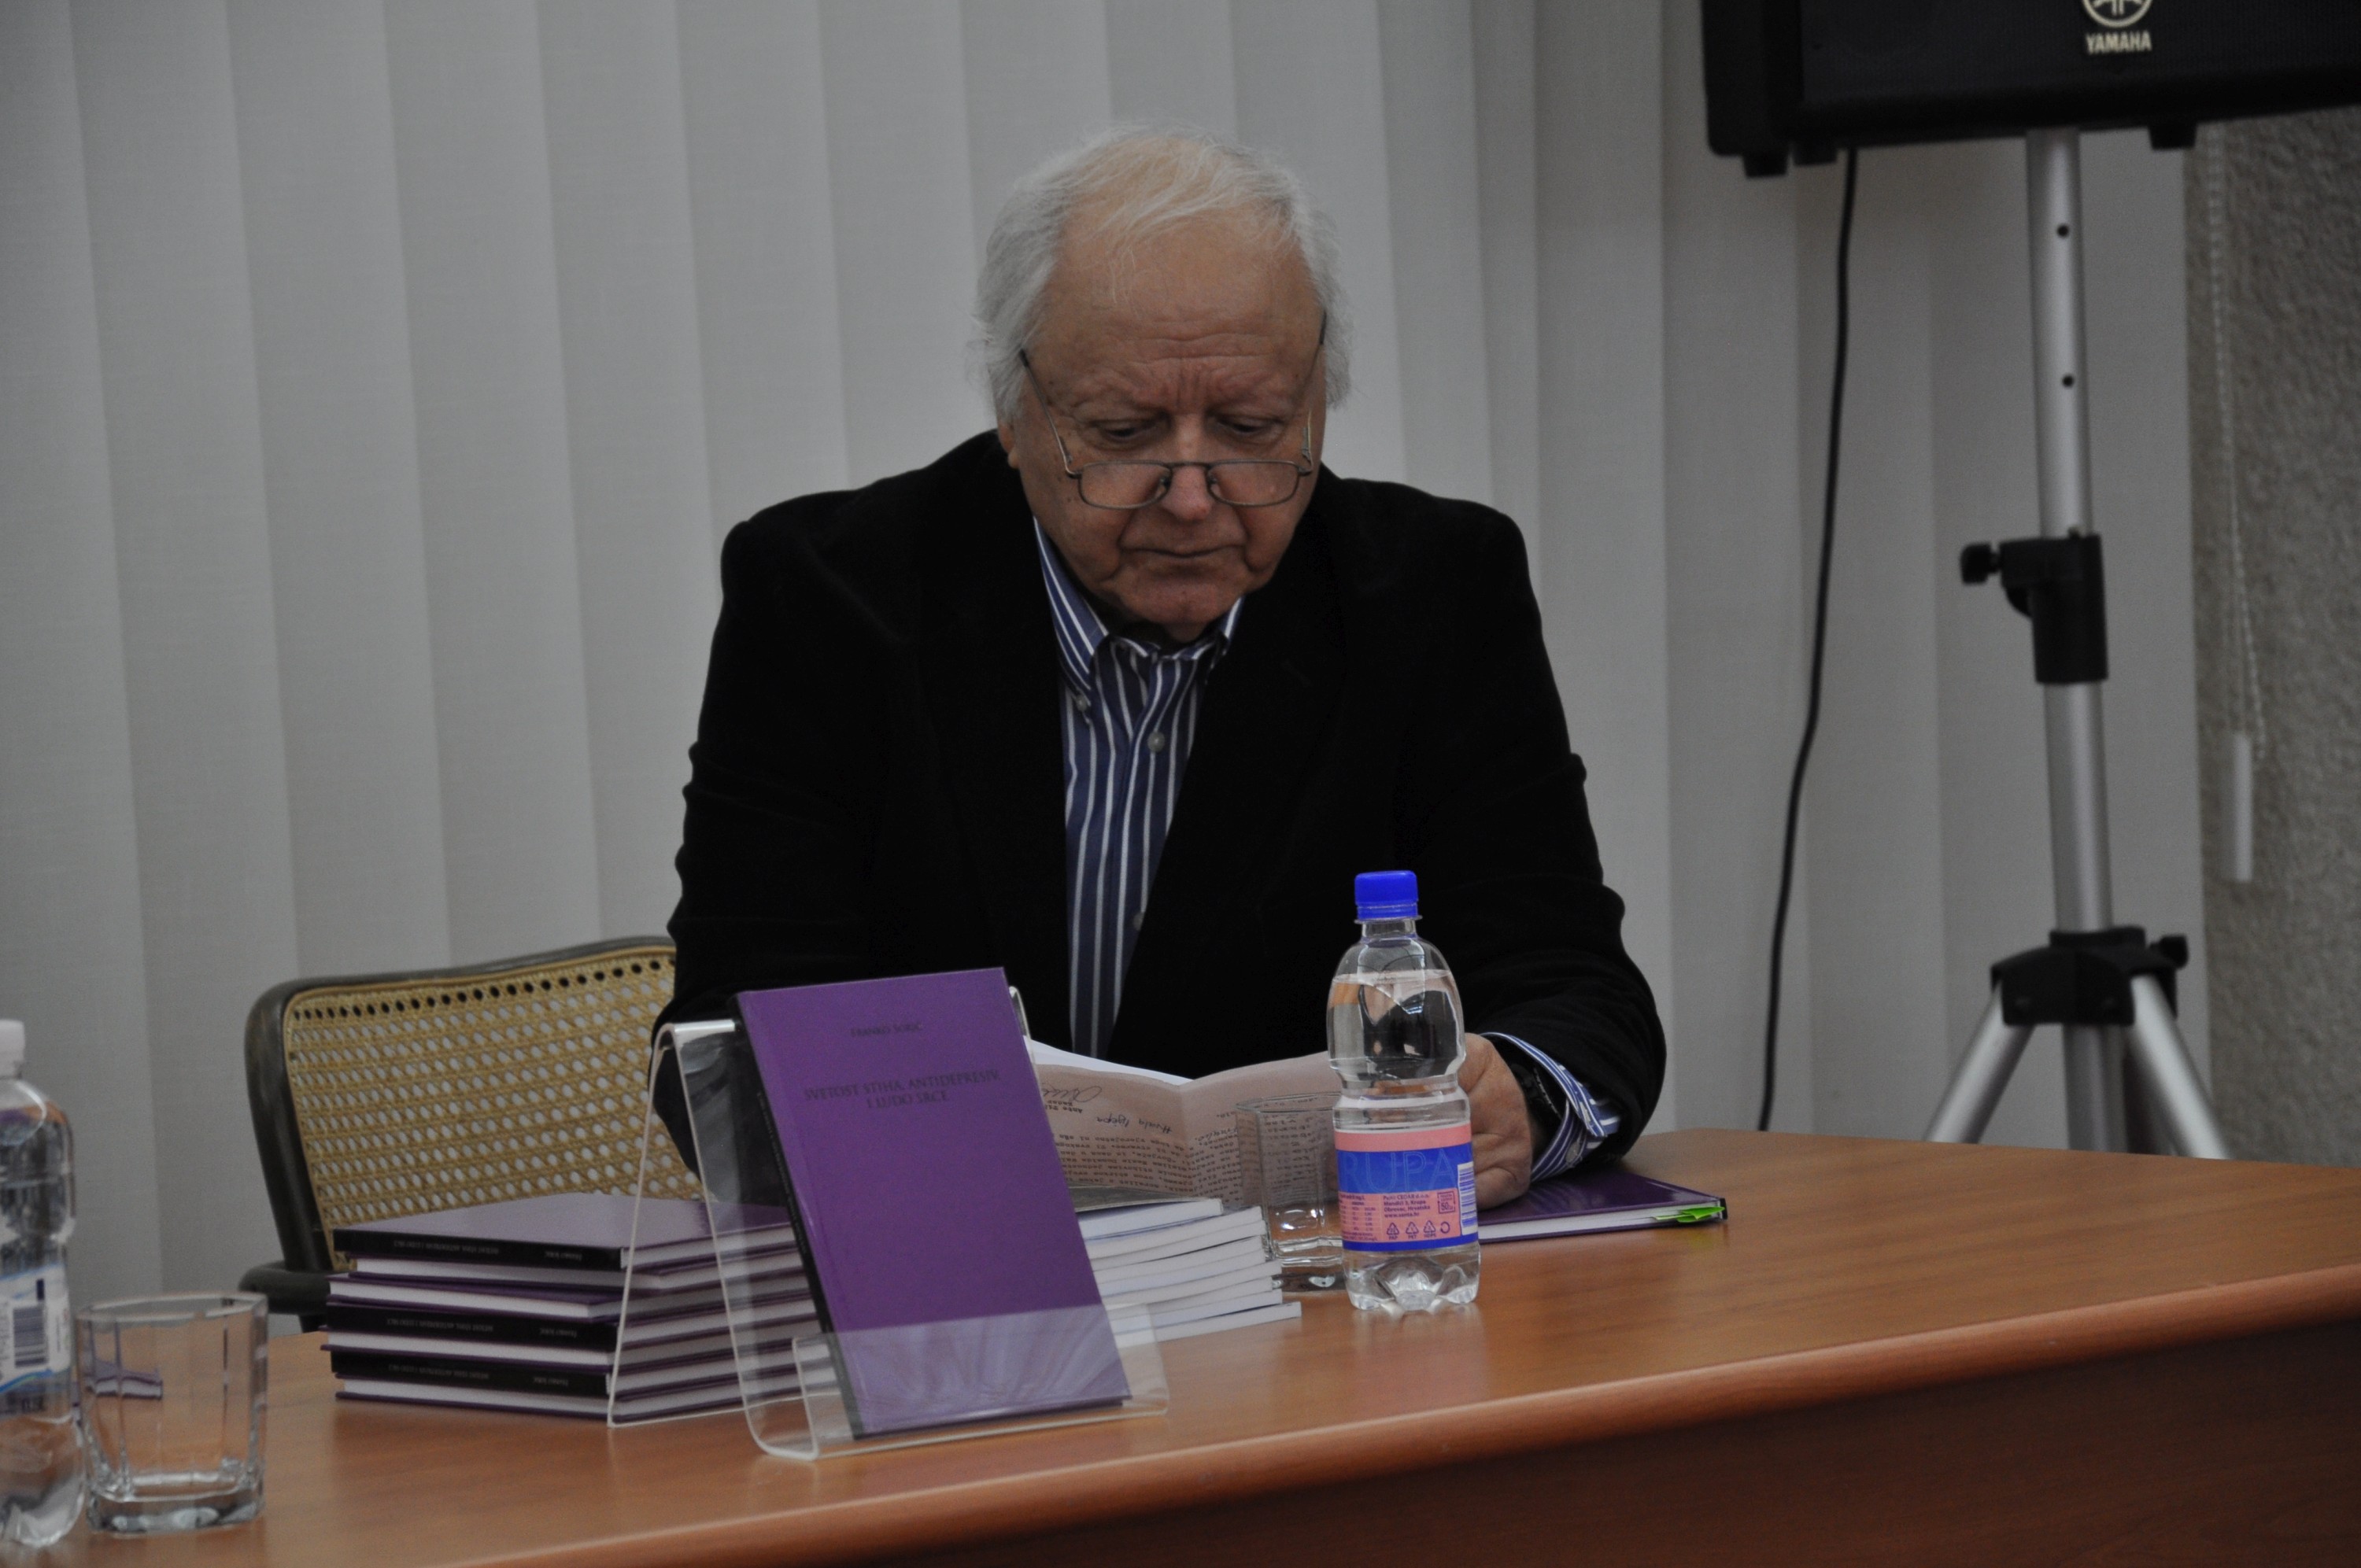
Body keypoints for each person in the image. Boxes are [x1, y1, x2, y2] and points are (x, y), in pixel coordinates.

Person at [660, 127, 1662, 1205]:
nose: (1191, 497)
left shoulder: (1433, 593)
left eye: (1251, 427)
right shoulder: (825, 601)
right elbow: (739, 1025)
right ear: (1014, 411)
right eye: (1125, 431)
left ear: (1318, 401)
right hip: (955, 1255)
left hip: (1326, 1267)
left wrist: (1522, 1098)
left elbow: (1575, 991)